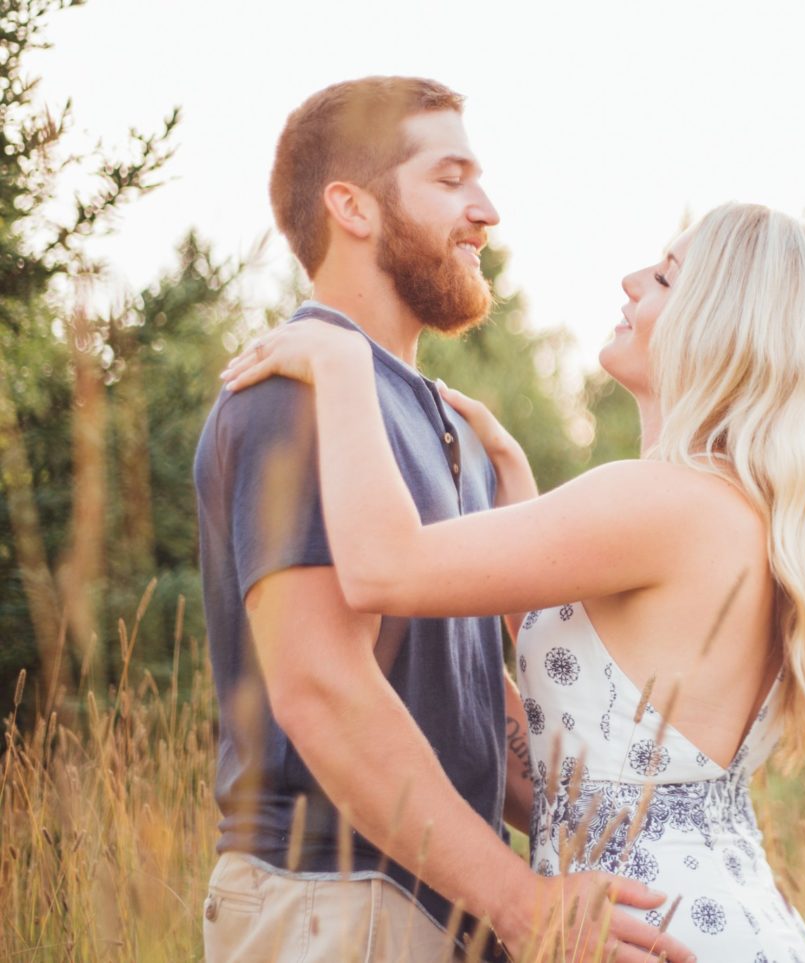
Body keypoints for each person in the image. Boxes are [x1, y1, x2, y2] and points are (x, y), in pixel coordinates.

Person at [220, 201, 805, 960]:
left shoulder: (659, 500)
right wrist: (513, 477)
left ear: (726, 326)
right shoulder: (744, 514)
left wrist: (343, 363)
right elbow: (596, 694)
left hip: (645, 932)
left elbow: (383, 568)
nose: (632, 280)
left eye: (666, 277)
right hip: (718, 923)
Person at [194, 75, 692, 963]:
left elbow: (460, 698)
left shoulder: (440, 419)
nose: (487, 211)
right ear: (352, 206)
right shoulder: (296, 389)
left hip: (449, 907)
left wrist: (660, 849)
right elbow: (323, 688)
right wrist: (518, 899)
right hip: (338, 903)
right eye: (451, 179)